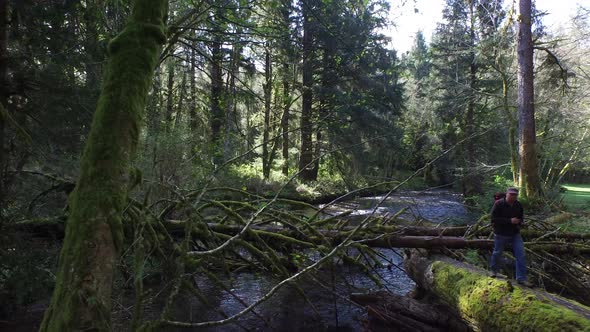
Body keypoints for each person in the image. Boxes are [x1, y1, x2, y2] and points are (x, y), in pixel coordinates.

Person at [489, 187, 532, 286]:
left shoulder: (518, 205)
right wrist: (509, 221)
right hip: (500, 234)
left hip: (515, 234)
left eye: (515, 195)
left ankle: (521, 278)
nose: (513, 196)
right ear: (506, 194)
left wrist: (520, 222)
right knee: (497, 253)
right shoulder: (498, 204)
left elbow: (521, 218)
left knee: (521, 255)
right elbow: (493, 219)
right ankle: (493, 271)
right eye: (511, 194)